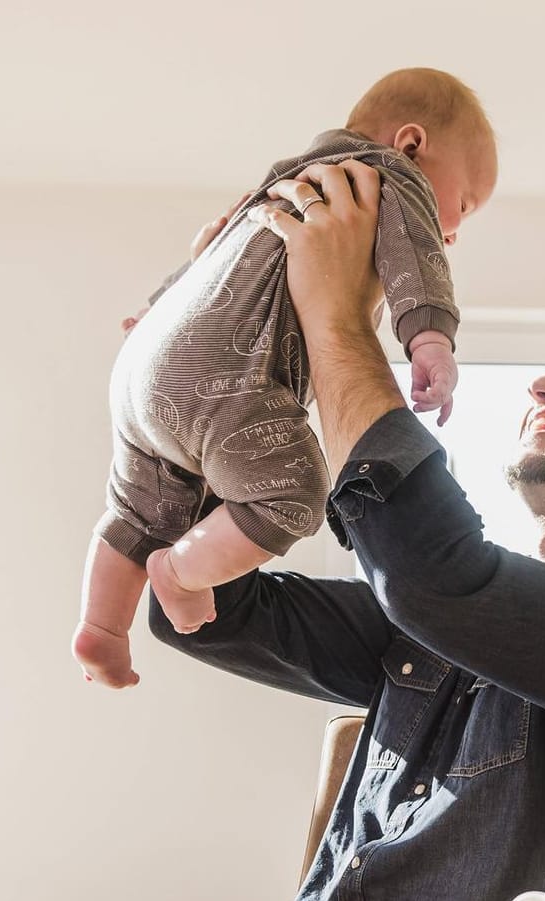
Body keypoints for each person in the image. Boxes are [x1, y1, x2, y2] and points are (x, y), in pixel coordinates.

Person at [150, 162, 545, 901]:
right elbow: (211, 610)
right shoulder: (444, 625)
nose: (542, 385)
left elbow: (431, 573)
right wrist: (223, 353)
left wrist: (336, 320)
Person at [73, 68, 499, 689]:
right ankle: (180, 573)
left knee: (138, 510)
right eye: (462, 205)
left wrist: (156, 309)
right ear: (410, 145)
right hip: (223, 376)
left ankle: (101, 626)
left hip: (145, 368)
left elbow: (212, 258)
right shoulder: (387, 175)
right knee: (291, 494)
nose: (454, 230)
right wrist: (430, 339)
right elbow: (418, 261)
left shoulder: (283, 183)